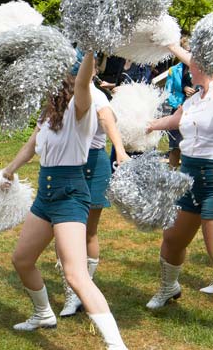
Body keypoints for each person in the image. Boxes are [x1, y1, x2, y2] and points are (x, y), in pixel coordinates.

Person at [2, 53, 130, 350]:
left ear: (67, 78)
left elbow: (84, 79)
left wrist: (88, 50)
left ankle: (117, 347)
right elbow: (32, 144)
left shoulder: (80, 107)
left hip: (70, 192)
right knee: (22, 260)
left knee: (76, 274)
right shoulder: (50, 111)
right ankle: (43, 313)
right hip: (46, 193)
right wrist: (9, 170)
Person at [57, 62, 130, 317]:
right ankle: (72, 292)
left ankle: (83, 289)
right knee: (64, 231)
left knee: (88, 231)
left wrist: (120, 150)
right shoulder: (63, 93)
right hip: (68, 163)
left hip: (92, 163)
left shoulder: (96, 95)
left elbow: (107, 118)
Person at [144, 43, 213, 305]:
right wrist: (148, 125)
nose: (186, 69)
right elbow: (174, 121)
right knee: (172, 239)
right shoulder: (193, 99)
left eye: (190, 65)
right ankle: (168, 287)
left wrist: (171, 43)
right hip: (188, 177)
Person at [164, 60, 194, 169]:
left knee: (191, 146)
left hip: (194, 110)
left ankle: (189, 174)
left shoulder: (201, 67)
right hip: (178, 110)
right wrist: (176, 104)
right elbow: (168, 91)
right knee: (175, 146)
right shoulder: (173, 70)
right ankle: (172, 176)